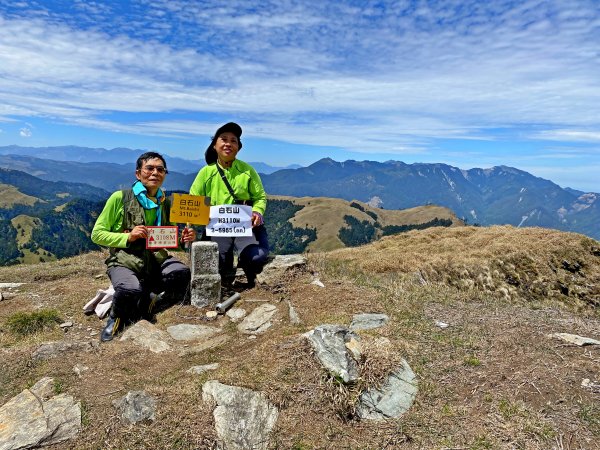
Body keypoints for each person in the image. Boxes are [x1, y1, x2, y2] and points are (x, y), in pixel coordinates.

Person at [91, 151, 196, 342]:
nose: (155, 172)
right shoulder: (120, 198)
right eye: (149, 168)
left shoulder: (164, 203)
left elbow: (168, 238)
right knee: (130, 290)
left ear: (164, 174)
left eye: (160, 169)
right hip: (125, 260)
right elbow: (97, 234)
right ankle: (116, 319)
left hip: (156, 259)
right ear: (138, 174)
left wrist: (184, 240)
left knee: (182, 273)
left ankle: (150, 299)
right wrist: (128, 237)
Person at [189, 122, 269, 288]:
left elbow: (260, 196)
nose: (228, 144)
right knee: (217, 259)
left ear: (238, 147)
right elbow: (193, 201)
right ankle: (225, 270)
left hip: (244, 225)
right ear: (215, 145)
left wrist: (257, 212)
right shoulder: (206, 173)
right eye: (223, 139)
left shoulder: (247, 170)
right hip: (218, 227)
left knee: (256, 256)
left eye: (234, 141)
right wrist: (192, 224)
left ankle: (244, 263)